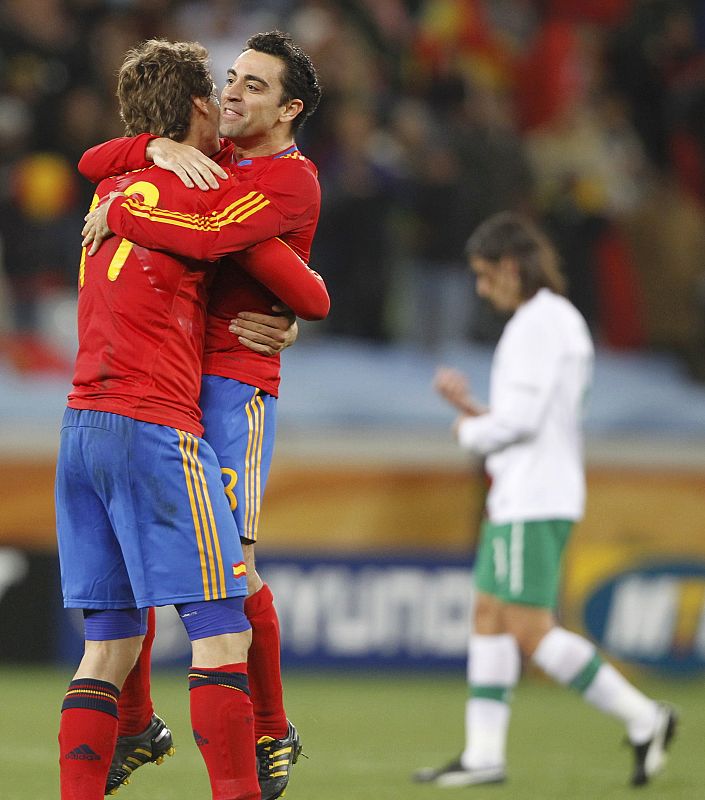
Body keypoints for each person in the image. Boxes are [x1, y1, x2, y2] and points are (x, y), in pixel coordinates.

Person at [79, 30, 324, 800]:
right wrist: (149, 151)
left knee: (228, 565)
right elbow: (93, 159)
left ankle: (269, 728)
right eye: (233, 78)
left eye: (254, 86)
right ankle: (139, 724)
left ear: (289, 109)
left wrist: (123, 211)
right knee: (147, 562)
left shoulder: (290, 181)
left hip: (232, 387)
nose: (234, 92)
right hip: (174, 383)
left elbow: (272, 268)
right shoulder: (208, 160)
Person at [414, 212, 677, 789]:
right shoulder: (556, 321)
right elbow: (534, 419)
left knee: (529, 627)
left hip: (533, 496)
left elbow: (525, 422)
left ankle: (645, 717)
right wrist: (479, 414)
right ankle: (483, 753)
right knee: (489, 612)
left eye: (486, 277)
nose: (483, 289)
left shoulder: (537, 324)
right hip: (528, 490)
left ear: (512, 267)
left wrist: (470, 433)